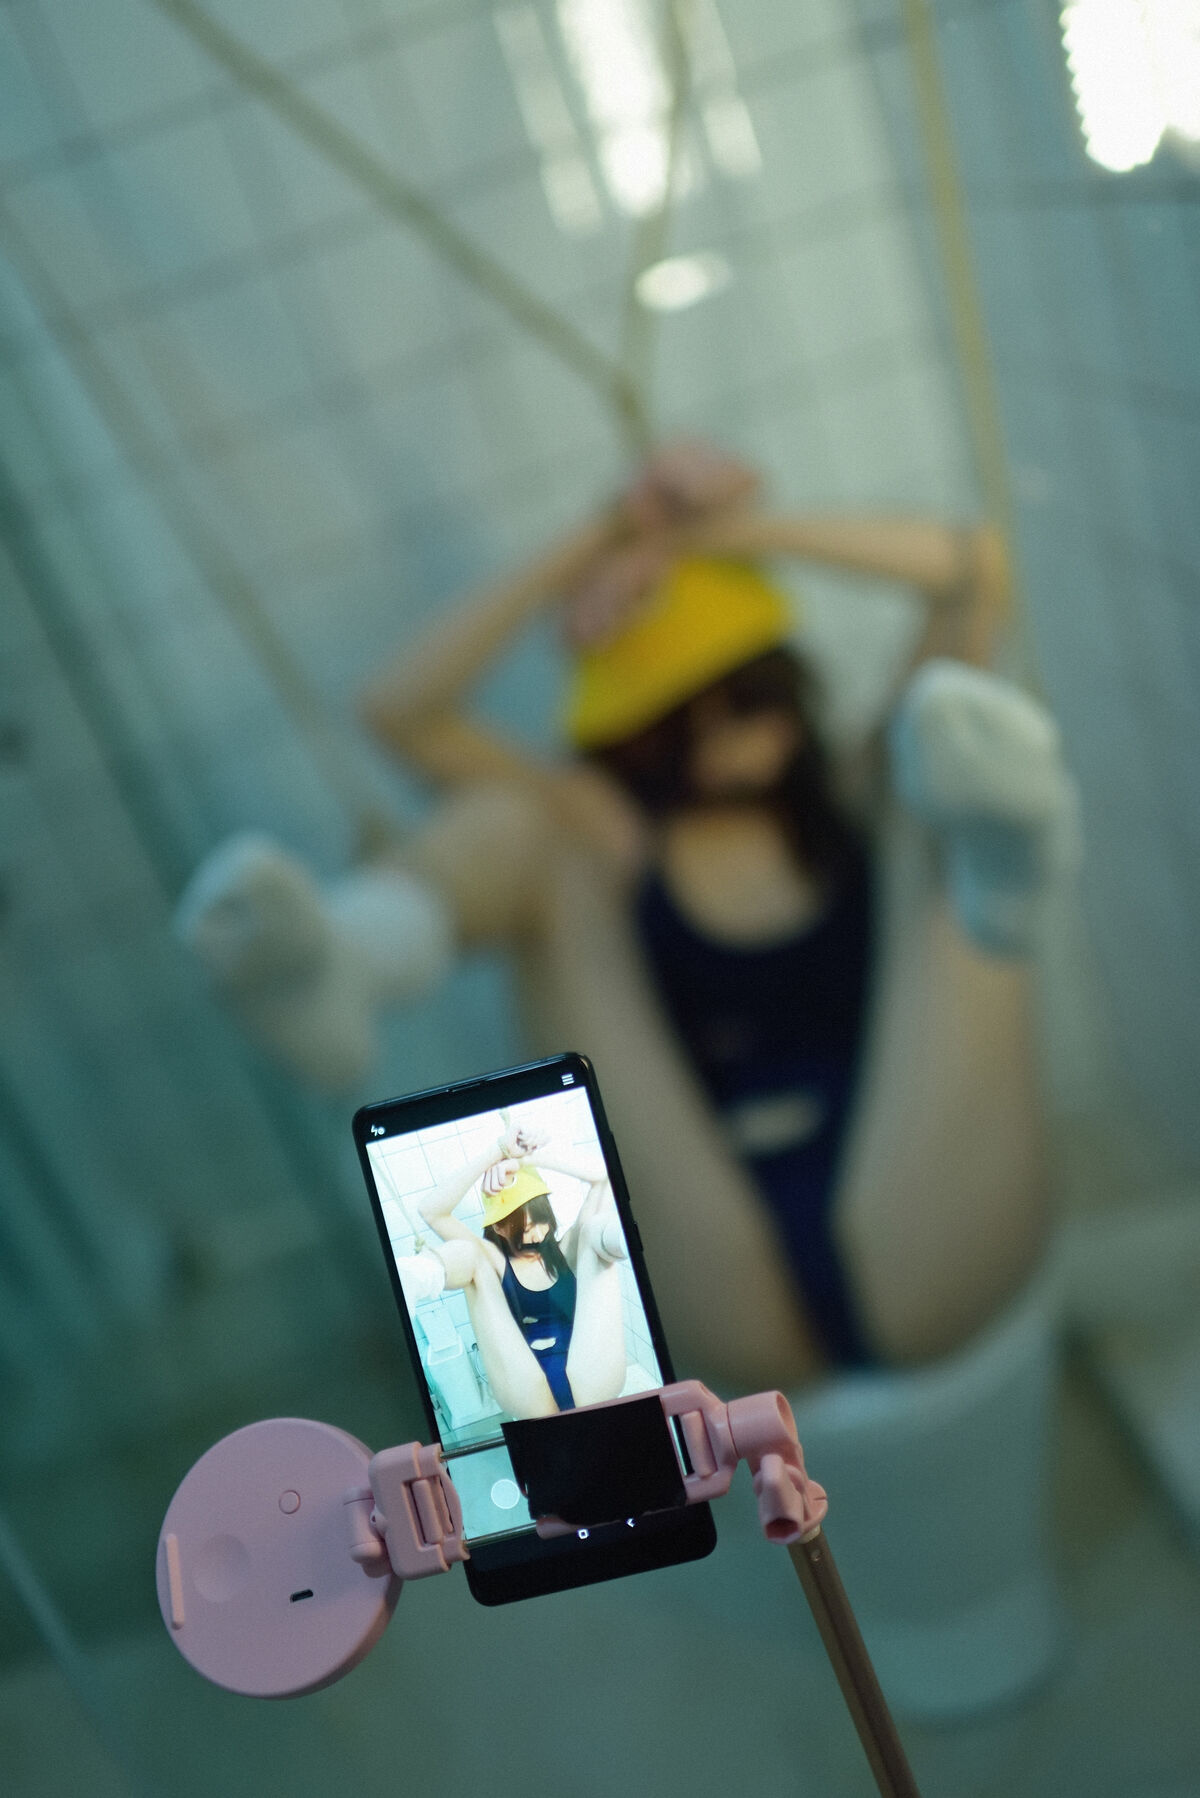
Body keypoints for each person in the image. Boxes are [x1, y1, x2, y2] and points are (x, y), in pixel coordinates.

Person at [177, 444, 1079, 1392]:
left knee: (942, 776)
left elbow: (974, 570)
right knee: (524, 829)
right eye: (680, 717)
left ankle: (1004, 877)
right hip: (716, 1273)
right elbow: (400, 712)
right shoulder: (612, 840)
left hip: (927, 1204)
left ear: (788, 687)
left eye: (748, 697)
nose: (724, 735)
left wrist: (723, 534)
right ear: (636, 737)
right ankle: (349, 961)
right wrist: (601, 534)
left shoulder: (857, 799)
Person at [408, 1119, 628, 1417]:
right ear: (499, 1228)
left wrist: (523, 1160)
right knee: (470, 1254)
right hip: (529, 1386)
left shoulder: (566, 1250)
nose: (538, 1234)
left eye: (543, 1221)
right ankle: (416, 1276)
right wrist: (496, 1152)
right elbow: (431, 1211)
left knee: (593, 1228)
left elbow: (602, 1177)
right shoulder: (496, 1262)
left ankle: (622, 1239)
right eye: (525, 1229)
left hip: (587, 1373)